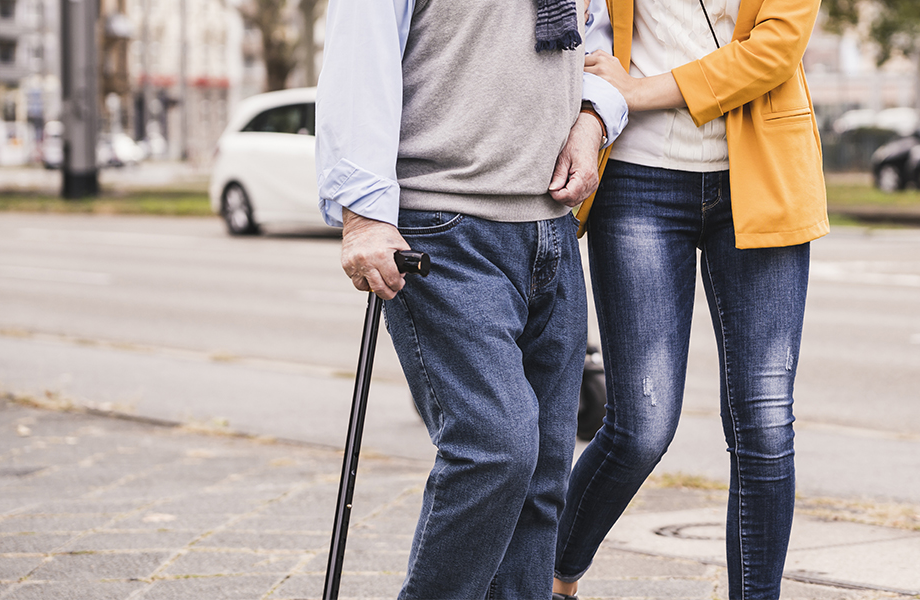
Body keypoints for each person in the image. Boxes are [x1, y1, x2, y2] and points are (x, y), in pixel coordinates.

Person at [315, 0, 627, 597]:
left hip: (548, 226)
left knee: (541, 474)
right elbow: (363, 49)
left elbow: (597, 44)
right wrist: (362, 216)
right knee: (496, 448)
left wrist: (592, 122)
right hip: (443, 223)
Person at [552, 0, 827, 598]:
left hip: (761, 175)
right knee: (641, 427)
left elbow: (775, 51)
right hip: (638, 180)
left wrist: (640, 90)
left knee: (766, 421)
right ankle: (551, 577)